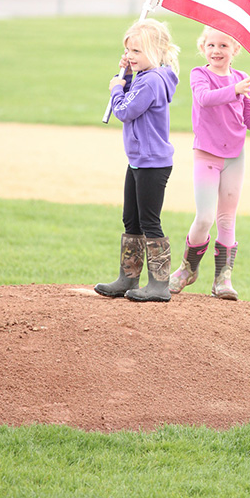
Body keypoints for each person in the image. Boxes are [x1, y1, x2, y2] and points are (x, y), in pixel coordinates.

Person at [169, 26, 250, 301]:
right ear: (203, 48)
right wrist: (234, 89)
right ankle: (187, 269)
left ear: (235, 50)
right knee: (205, 217)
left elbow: (249, 118)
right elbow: (204, 99)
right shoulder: (200, 75)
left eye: (223, 46)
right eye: (211, 46)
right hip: (207, 155)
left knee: (227, 218)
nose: (216, 51)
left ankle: (223, 278)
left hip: (235, 156)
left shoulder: (242, 79)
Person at [94, 18, 179, 303]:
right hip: (138, 160)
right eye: (128, 50)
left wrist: (116, 88)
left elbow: (126, 110)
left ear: (155, 52)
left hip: (153, 162)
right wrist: (129, 76)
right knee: (131, 218)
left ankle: (159, 284)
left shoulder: (153, 81)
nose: (130, 56)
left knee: (149, 221)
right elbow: (135, 95)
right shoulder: (145, 77)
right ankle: (127, 277)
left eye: (137, 52)